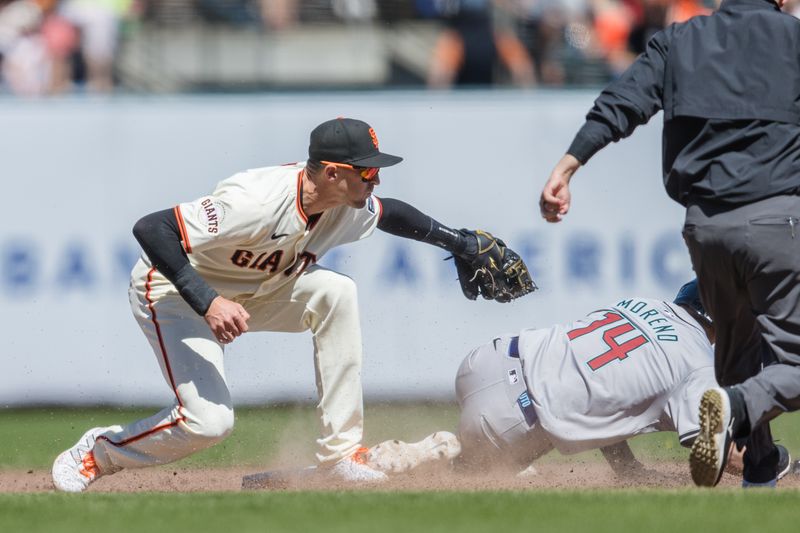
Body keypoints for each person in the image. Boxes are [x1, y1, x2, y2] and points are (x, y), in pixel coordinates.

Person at [51, 117, 533, 492]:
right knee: (209, 423)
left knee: (336, 292)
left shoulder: (346, 204)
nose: (375, 181)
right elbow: (151, 228)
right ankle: (100, 452)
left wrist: (460, 242)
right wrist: (207, 300)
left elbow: (391, 215)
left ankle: (341, 456)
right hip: (177, 293)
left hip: (255, 290)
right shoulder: (255, 200)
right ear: (331, 172)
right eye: (367, 171)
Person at [538, 0, 800, 488]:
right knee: (790, 365)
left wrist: (568, 165)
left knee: (738, 357)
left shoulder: (681, 40)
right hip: (778, 220)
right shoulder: (793, 38)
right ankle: (735, 407)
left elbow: (622, 102)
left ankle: (761, 467)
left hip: (706, 228)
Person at [364, 281, 792, 482]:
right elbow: (717, 457)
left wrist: (628, 470)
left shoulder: (641, 302)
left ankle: (450, 445)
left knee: (558, 411)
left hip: (487, 359)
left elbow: (606, 395)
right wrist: (778, 461)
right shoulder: (699, 364)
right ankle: (444, 453)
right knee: (475, 476)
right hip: (510, 421)